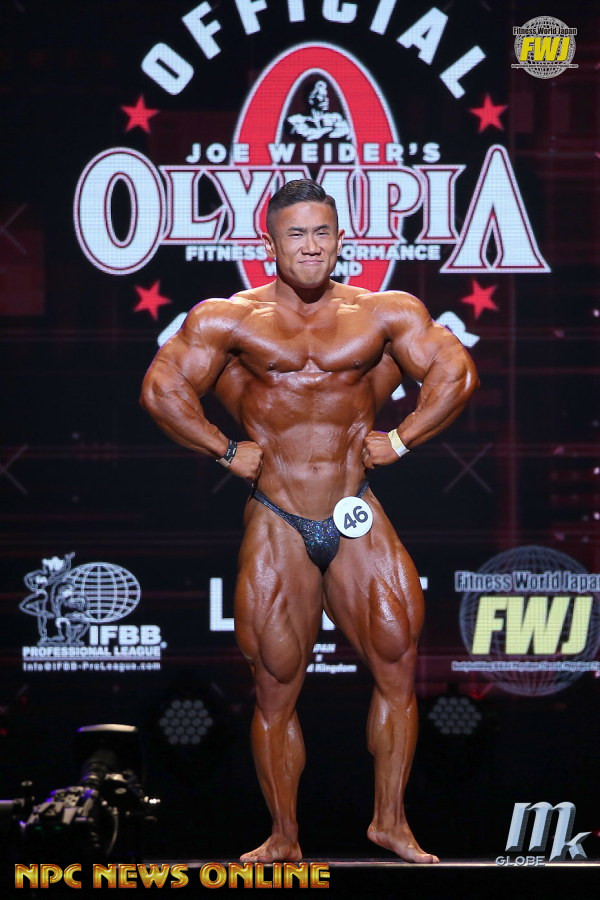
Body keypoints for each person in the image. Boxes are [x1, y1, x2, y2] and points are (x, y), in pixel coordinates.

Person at [140, 179, 478, 864]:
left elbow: (456, 371)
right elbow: (160, 388)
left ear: (341, 238)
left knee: (397, 661)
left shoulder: (382, 313)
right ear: (269, 243)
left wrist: (403, 438)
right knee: (276, 683)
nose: (312, 246)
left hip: (355, 510)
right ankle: (284, 835)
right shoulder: (229, 319)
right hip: (277, 515)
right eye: (296, 233)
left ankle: (390, 822)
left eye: (322, 232)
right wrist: (225, 449)